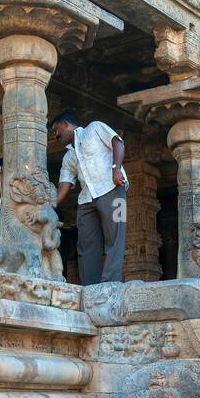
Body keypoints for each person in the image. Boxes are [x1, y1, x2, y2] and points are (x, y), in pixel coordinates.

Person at [53, 111, 127, 284]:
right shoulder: (68, 157)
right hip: (86, 201)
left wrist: (116, 168)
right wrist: (50, 206)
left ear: (66, 124)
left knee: (116, 238)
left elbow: (118, 142)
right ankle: (90, 287)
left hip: (114, 189)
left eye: (56, 129)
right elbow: (65, 184)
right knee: (86, 245)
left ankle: (111, 283)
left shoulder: (94, 128)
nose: (56, 135)